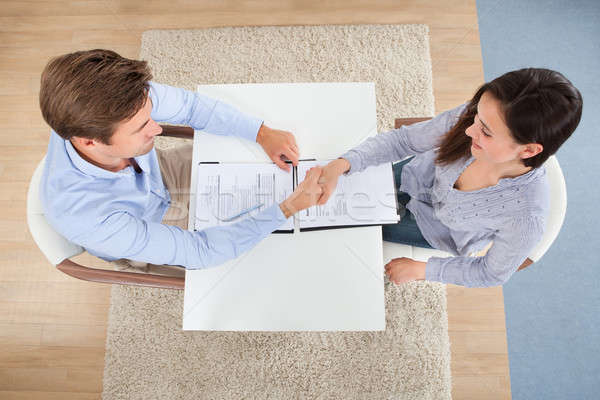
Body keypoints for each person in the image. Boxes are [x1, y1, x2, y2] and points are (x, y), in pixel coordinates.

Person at [38, 49, 323, 272]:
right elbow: (201, 251)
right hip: (144, 224)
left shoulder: (115, 99)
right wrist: (287, 209)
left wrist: (261, 133)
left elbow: (190, 107)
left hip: (159, 174)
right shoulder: (87, 218)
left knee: (250, 162)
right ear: (90, 141)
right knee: (267, 256)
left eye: (151, 116)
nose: (158, 129)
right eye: (142, 128)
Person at [316, 68, 582, 288]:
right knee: (332, 201)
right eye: (476, 117)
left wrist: (423, 269)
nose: (468, 130)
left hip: (436, 229)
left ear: (529, 150)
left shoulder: (525, 219)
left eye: (486, 132)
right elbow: (404, 140)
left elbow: (489, 273)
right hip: (416, 175)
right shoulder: (475, 119)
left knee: (342, 227)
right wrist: (344, 163)